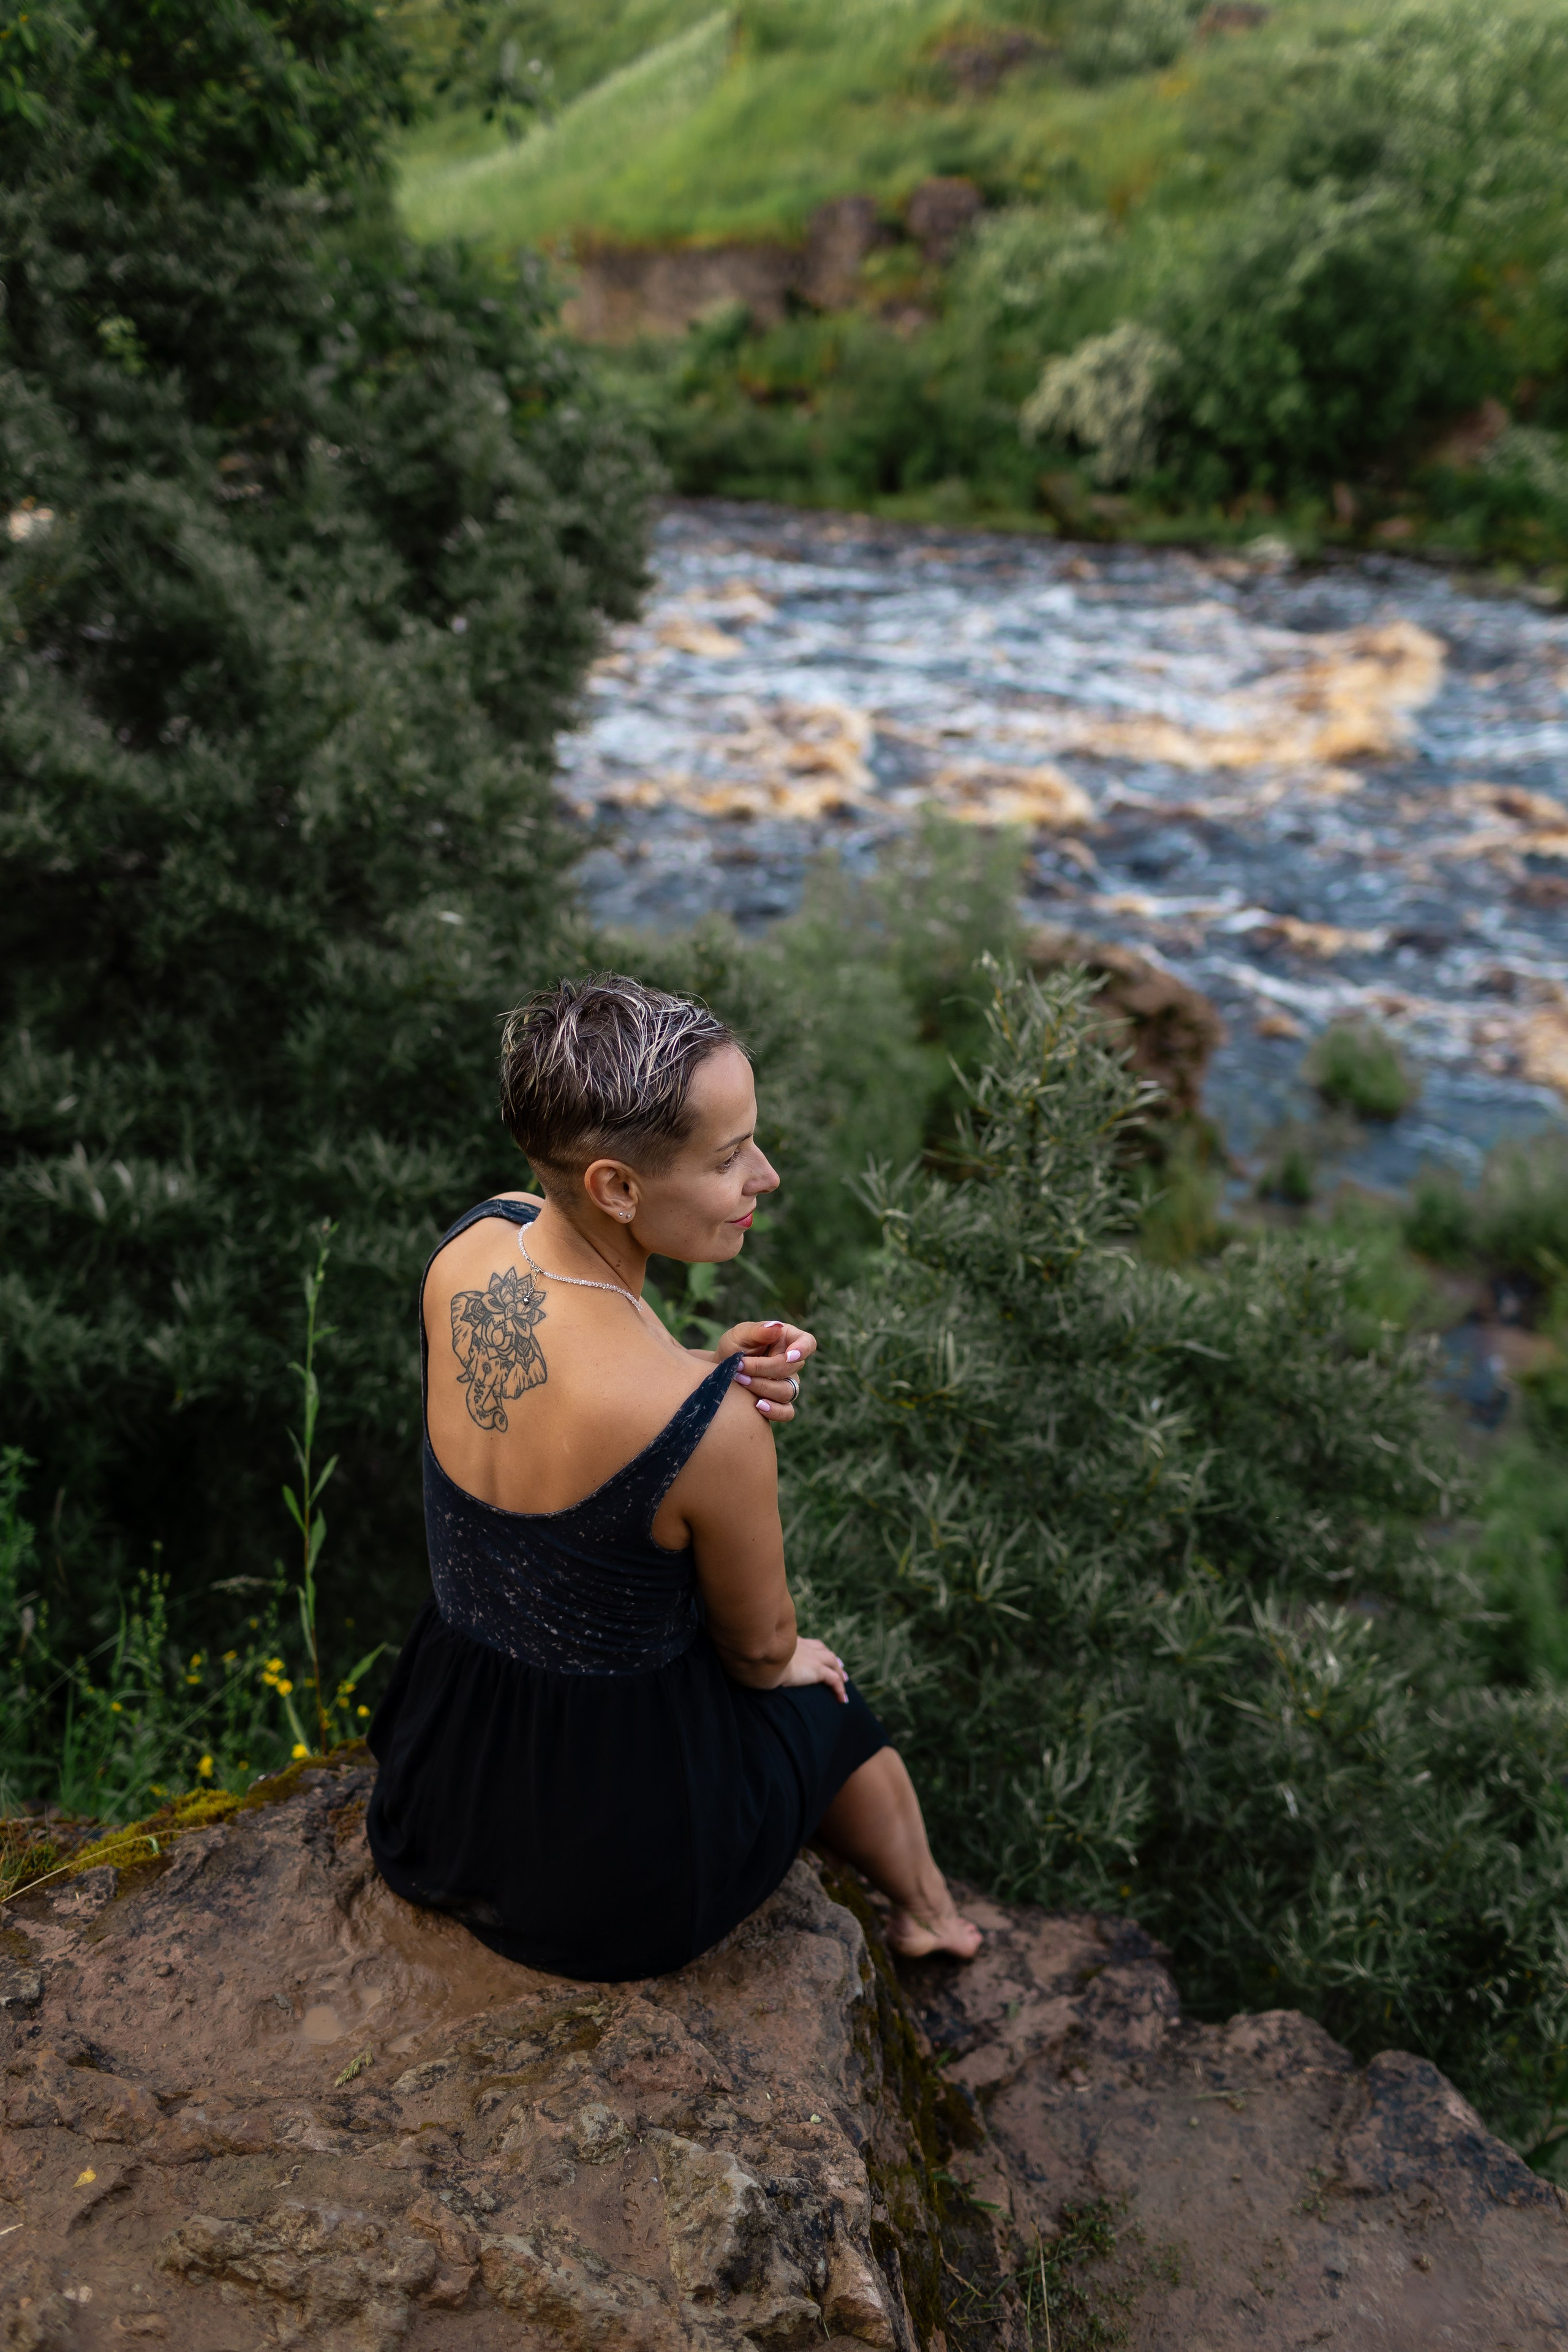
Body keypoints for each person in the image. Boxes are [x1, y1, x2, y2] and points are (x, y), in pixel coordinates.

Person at [367, 974, 980, 1981]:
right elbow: (758, 1648)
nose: (768, 1177)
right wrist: (790, 1663)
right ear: (615, 1185)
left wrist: (699, 1369)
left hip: (443, 1783)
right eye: (732, 1155)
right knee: (828, 1700)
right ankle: (930, 1918)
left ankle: (926, 1908)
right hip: (606, 1875)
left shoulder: (472, 1246)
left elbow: (550, 1394)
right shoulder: (718, 1435)